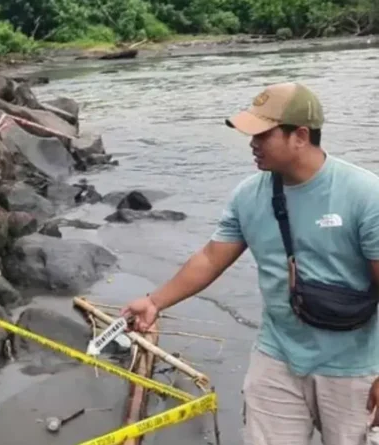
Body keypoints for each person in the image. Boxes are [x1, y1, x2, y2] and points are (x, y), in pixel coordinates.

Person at [121, 82, 379, 445]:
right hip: (277, 356)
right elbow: (211, 257)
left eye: (263, 134)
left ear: (300, 136)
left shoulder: (365, 195)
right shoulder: (248, 195)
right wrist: (154, 301)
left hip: (355, 367)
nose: (252, 143)